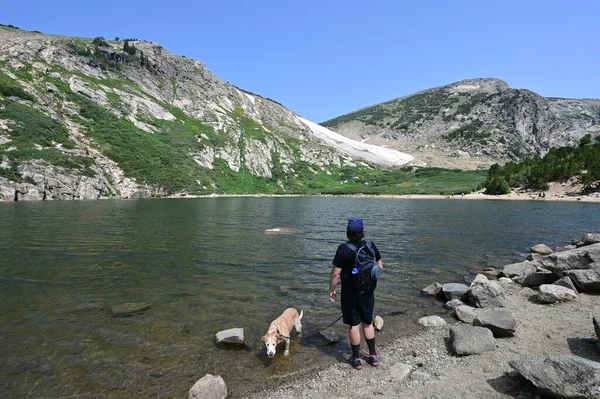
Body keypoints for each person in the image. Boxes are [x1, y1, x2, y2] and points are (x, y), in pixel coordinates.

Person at [329, 217, 383, 370]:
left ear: (348, 232)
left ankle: (357, 359)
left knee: (354, 325)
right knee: (367, 322)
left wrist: (331, 290)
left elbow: (335, 274)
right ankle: (373, 356)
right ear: (362, 231)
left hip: (350, 294)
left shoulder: (343, 249)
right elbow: (380, 267)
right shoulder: (371, 246)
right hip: (367, 292)